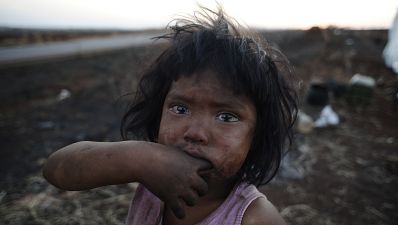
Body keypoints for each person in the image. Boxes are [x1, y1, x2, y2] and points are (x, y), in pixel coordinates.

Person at [43, 6, 298, 225]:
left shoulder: (253, 217)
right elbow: (57, 170)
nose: (195, 133)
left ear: (257, 136)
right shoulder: (149, 175)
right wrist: (138, 158)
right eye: (180, 109)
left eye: (227, 117)